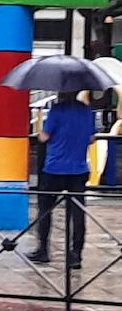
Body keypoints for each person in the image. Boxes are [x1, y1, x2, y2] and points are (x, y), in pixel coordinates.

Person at [27, 91, 96, 269]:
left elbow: (45, 136)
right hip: (79, 169)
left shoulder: (57, 111)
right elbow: (91, 138)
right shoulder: (88, 112)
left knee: (45, 209)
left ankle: (43, 249)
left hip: (55, 169)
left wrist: (40, 131)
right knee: (78, 213)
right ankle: (76, 255)